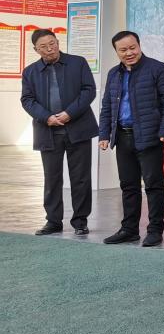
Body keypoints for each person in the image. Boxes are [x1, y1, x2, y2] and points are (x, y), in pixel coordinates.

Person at [98, 31, 164, 247]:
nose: (129, 53)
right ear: (116, 52)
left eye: (132, 48)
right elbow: (107, 106)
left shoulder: (157, 69)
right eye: (123, 50)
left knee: (153, 185)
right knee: (128, 186)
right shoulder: (114, 74)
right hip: (122, 137)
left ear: (139, 46)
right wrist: (104, 134)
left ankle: (155, 230)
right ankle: (129, 229)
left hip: (150, 136)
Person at [20, 29, 98, 237]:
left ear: (57, 42)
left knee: (81, 178)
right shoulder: (30, 72)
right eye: (44, 46)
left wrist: (69, 113)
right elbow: (27, 100)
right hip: (48, 131)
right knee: (52, 178)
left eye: (52, 43)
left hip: (78, 129)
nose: (50, 49)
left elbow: (88, 90)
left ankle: (80, 221)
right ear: (36, 50)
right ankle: (53, 221)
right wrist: (47, 117)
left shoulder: (77, 63)